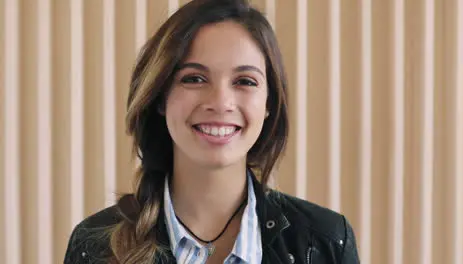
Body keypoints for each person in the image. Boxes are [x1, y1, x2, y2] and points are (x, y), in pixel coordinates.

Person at [64, 0, 360, 263]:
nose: (220, 103)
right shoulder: (95, 246)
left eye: (245, 81)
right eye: (194, 78)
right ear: (160, 97)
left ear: (269, 103)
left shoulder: (325, 241)